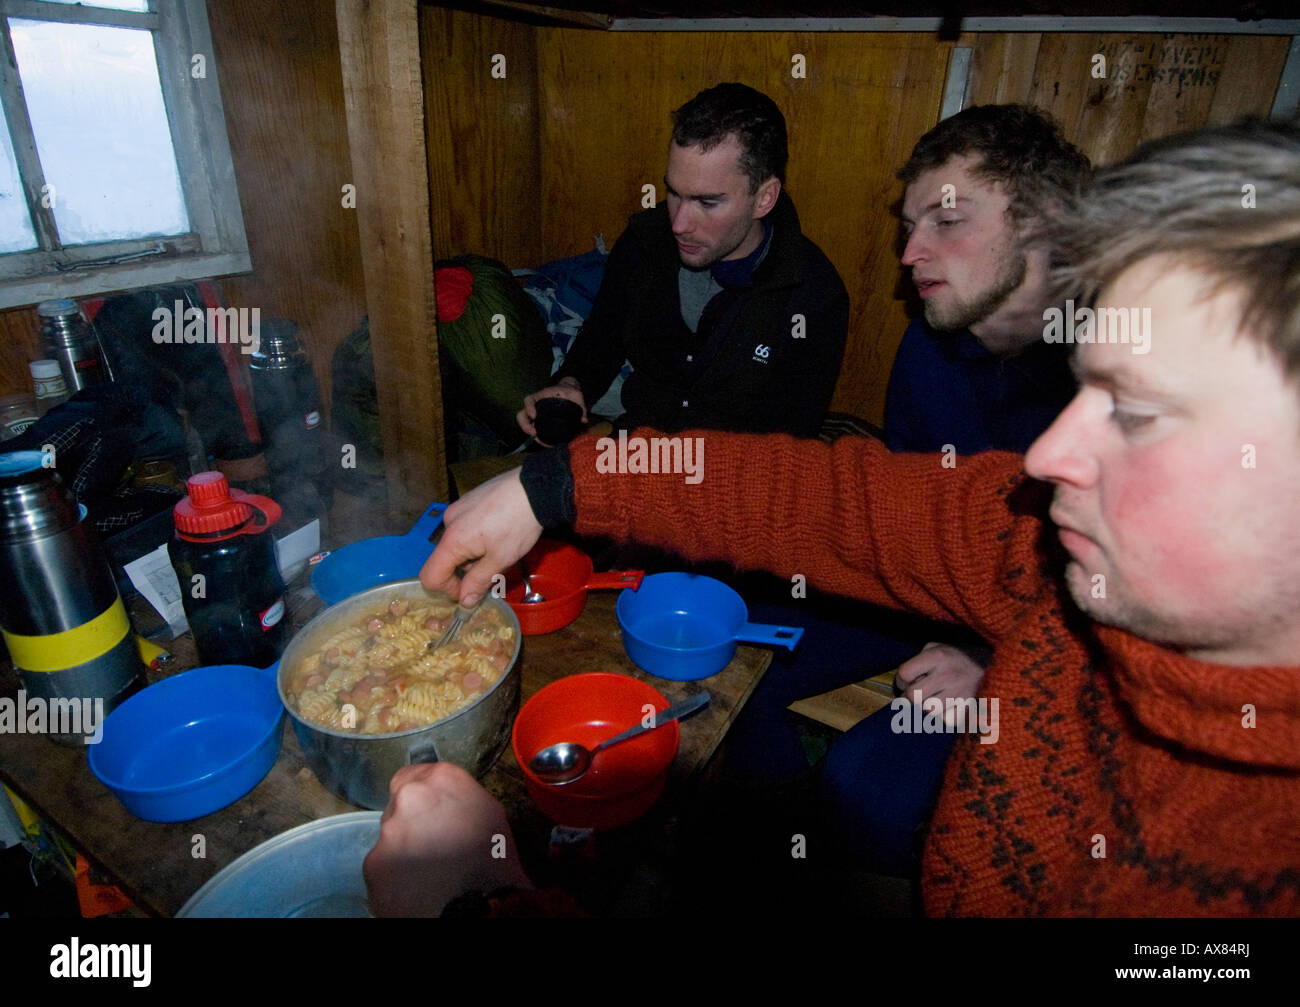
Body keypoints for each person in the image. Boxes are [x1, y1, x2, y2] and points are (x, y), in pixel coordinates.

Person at [371, 118, 1300, 917]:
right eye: (1087, 391)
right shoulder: (1040, 547)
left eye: (1135, 411)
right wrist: (553, 486)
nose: (1052, 458)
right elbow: (825, 498)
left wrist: (479, 900)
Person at [732, 105, 1089, 875]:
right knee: (734, 653)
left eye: (946, 219)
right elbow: (898, 518)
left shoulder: (1126, 363)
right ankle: (773, 868)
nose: (909, 251)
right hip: (932, 595)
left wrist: (1003, 665)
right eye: (908, 224)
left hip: (1055, 645)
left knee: (869, 788)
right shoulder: (931, 340)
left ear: (1046, 222)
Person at [517, 82, 849, 442]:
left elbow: (790, 446)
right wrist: (569, 384)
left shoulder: (814, 296)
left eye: (707, 202)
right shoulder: (645, 245)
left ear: (764, 198)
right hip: (636, 454)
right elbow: (601, 342)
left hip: (736, 483)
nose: (679, 225)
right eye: (674, 193)